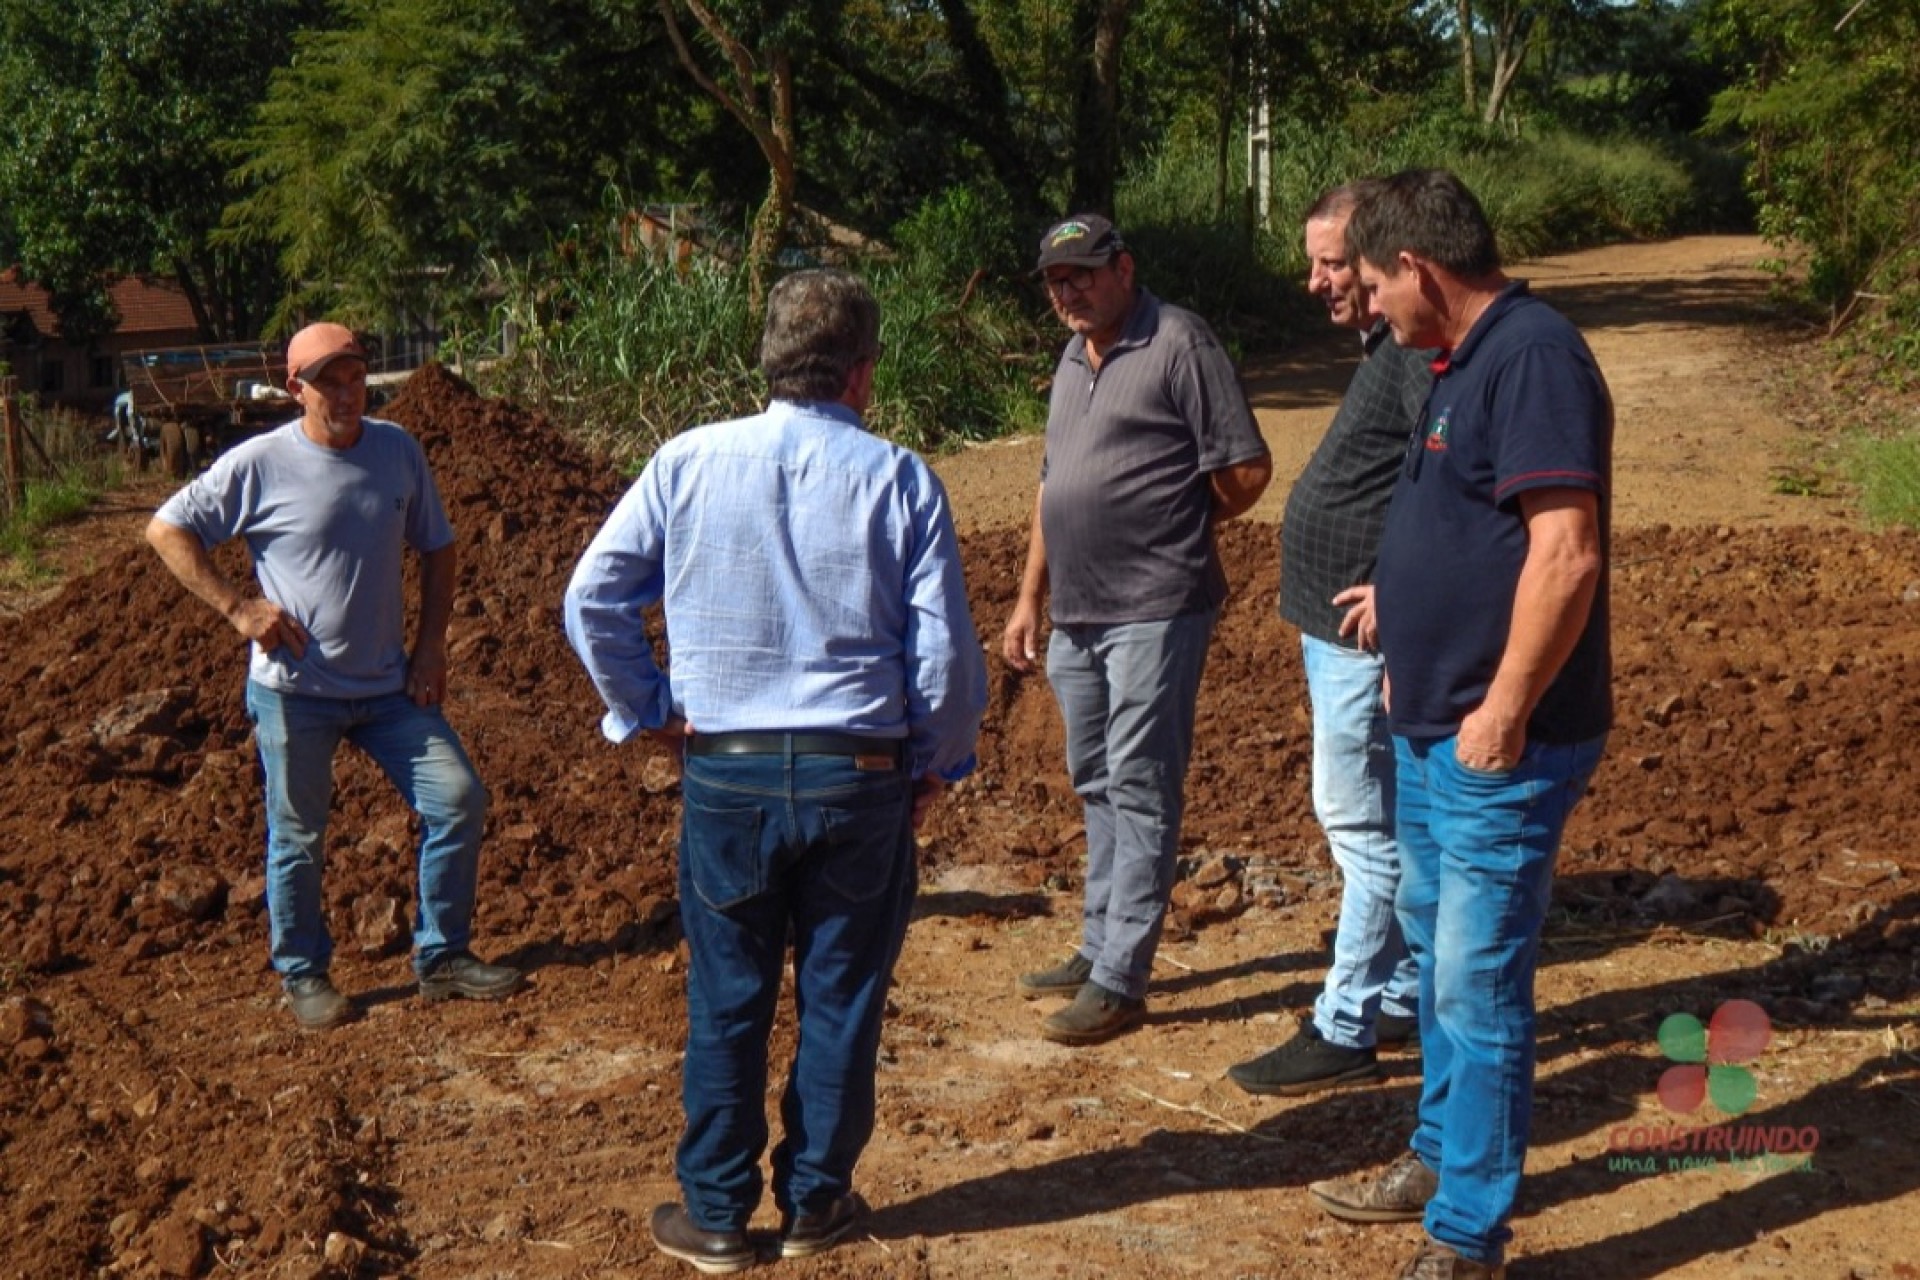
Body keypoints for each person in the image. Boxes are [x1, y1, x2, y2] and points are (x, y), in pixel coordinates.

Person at [563, 269, 986, 1274]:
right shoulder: (898, 476)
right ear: (861, 372)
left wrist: (650, 710)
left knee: (728, 995)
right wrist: (936, 762)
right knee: (841, 994)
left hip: (729, 775)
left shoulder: (687, 460)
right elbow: (946, 658)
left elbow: (593, 598)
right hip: (859, 776)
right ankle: (814, 1202)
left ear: (769, 362)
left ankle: (715, 1214)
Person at [1304, 170, 1612, 1280]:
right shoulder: (1454, 362)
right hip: (1435, 724)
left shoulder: (1531, 356)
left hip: (1500, 745)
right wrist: (1404, 601)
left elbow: (1566, 548)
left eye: (1375, 280)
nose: (1368, 300)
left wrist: (1503, 706)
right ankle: (1437, 1156)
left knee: (1475, 985)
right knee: (1440, 963)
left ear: (1420, 271)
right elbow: (1468, 517)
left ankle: (1467, 1232)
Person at [145, 321, 521, 1032]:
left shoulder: (397, 450)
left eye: (353, 377)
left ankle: (441, 958)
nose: (345, 393)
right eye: (327, 382)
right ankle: (304, 973)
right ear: (296, 390)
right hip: (295, 694)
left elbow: (438, 547)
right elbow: (167, 529)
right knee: (299, 837)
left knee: (459, 799)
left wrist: (431, 646)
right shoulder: (258, 463)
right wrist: (237, 606)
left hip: (386, 689)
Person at [1004, 215, 1272, 1046]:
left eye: (1082, 274)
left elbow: (1245, 469)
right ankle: (1097, 942)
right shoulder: (1068, 361)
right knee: (1096, 779)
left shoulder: (1179, 343)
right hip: (1076, 613)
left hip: (1156, 605)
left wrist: (1183, 527)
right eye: (1056, 281)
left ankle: (1123, 977)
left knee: (1143, 781)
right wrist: (1027, 598)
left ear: (1124, 268)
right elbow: (1054, 488)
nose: (1068, 292)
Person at [1227, 181, 1430, 1098]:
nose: (1315, 282)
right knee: (1380, 821)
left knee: (1360, 826)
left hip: (1359, 635)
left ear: (1389, 257)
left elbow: (1452, 476)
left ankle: (1346, 1019)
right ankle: (1401, 992)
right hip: (1339, 627)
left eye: (1332, 262)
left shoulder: (1423, 353)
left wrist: (1400, 577)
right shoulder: (1389, 346)